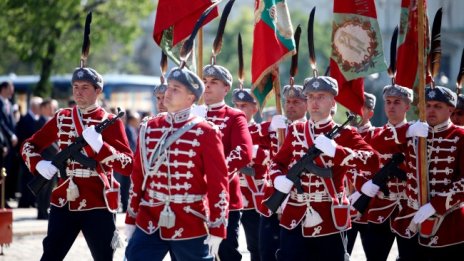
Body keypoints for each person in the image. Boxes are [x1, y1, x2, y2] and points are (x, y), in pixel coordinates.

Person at [20, 67, 134, 261]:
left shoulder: (111, 122)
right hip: (64, 199)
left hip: (98, 202)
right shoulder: (63, 117)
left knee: (104, 257)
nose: (78, 92)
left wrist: (101, 147)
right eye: (75, 87)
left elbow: (128, 164)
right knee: (50, 256)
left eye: (85, 87)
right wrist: (39, 164)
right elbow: (29, 145)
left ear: (98, 91)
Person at [124, 66, 229, 261]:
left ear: (191, 98)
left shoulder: (206, 131)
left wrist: (218, 228)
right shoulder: (149, 127)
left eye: (175, 89)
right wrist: (131, 218)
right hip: (150, 217)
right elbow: (138, 175)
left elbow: (218, 184)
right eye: (168, 87)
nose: (167, 93)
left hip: (190, 220)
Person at [269, 75, 379, 260]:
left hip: (329, 218)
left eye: (320, 96)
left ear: (332, 101)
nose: (314, 102)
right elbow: (277, 162)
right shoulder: (296, 130)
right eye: (310, 96)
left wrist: (337, 151)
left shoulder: (346, 133)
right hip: (295, 216)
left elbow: (373, 161)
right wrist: (278, 178)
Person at [390, 86, 464, 260]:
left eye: (438, 106)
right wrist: (406, 131)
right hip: (411, 219)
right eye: (428, 105)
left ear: (450, 109)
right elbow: (377, 142)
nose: (431, 110)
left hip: (448, 222)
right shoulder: (413, 132)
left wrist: (435, 205)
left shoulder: (460, 136)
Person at [355, 84, 414, 261]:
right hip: (380, 207)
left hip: (408, 209)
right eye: (388, 102)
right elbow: (364, 165)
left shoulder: (417, 134)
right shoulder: (376, 134)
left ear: (407, 106)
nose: (391, 106)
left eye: (397, 102)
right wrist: (362, 186)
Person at [202, 63, 253, 261]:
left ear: (226, 88)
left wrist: (214, 173)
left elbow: (243, 152)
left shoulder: (234, 116)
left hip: (225, 199)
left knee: (226, 253)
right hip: (193, 200)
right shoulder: (193, 114)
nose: (207, 86)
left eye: (213, 82)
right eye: (205, 82)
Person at [252, 84, 308, 261]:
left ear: (307, 104)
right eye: (287, 101)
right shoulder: (276, 128)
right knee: (266, 252)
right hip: (272, 200)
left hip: (299, 202)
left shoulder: (311, 130)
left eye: (296, 102)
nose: (290, 105)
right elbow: (243, 136)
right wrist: (267, 127)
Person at [232, 88, 270, 261]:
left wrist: (257, 152)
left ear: (255, 108)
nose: (239, 109)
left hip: (255, 197)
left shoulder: (263, 131)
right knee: (226, 245)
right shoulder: (228, 131)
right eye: (237, 105)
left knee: (257, 246)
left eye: (244, 106)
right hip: (232, 196)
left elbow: (274, 157)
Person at [346, 91, 381, 256]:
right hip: (345, 209)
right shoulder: (341, 135)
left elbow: (378, 169)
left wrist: (360, 187)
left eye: (361, 107)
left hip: (370, 209)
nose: (355, 111)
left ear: (370, 112)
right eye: (353, 106)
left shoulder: (378, 135)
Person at [16, 96, 43, 208]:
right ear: (33, 106)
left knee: (34, 177)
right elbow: (22, 137)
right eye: (39, 106)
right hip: (26, 153)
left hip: (37, 153)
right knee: (27, 178)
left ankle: (32, 200)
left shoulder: (38, 118)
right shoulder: (25, 119)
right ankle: (25, 201)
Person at [36, 98, 60, 220]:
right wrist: (58, 149)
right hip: (44, 158)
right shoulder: (40, 122)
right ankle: (41, 211)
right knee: (43, 187)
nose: (53, 109)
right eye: (50, 107)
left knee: (50, 186)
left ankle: (45, 209)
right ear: (44, 108)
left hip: (52, 160)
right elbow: (45, 141)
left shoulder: (50, 121)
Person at [0, 81, 18, 201]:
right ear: (4, 88)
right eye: (11, 88)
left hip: (11, 144)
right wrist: (11, 135)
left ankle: (4, 199)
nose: (12, 91)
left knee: (8, 172)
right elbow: (1, 123)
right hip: (3, 143)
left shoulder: (9, 104)